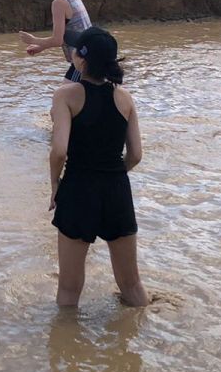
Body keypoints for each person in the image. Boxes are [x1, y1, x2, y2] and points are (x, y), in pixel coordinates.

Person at [47, 26, 148, 308]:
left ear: (80, 59)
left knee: (69, 290)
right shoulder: (125, 98)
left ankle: (67, 348)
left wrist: (55, 184)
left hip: (79, 188)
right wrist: (113, 175)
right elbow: (136, 154)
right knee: (131, 285)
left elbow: (59, 150)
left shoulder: (66, 95)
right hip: (117, 190)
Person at [19, 0, 92, 81]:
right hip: (90, 57)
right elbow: (69, 34)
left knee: (64, 97)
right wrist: (41, 46)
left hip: (84, 62)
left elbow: (57, 40)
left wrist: (33, 40)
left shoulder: (59, 3)